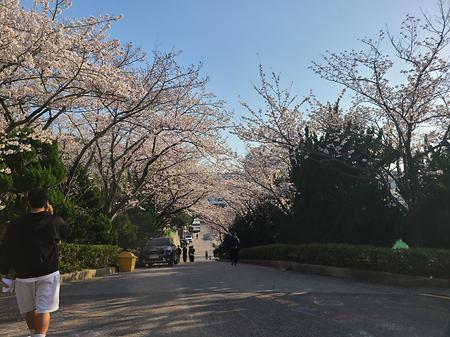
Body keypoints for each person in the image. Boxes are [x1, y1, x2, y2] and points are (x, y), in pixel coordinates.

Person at [0, 188, 69, 337]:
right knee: (44, 309)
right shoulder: (54, 220)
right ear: (47, 203)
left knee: (29, 309)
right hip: (48, 273)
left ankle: (33, 334)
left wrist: (4, 271)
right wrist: (51, 215)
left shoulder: (15, 224)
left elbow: (6, 248)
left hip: (24, 274)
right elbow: (65, 233)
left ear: (28, 203)